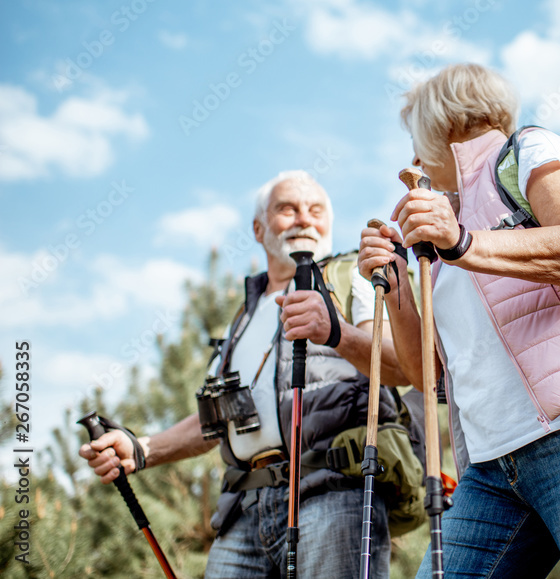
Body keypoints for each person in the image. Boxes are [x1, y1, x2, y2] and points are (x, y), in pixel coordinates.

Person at [358, 63, 560, 578]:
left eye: (415, 139)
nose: (412, 159)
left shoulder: (530, 149)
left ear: (443, 122)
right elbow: (427, 377)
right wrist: (395, 283)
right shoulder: (445, 232)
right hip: (490, 470)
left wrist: (464, 244)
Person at [80, 170, 407, 579]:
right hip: (243, 509)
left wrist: (336, 332)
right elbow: (220, 419)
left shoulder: (353, 280)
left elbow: (401, 366)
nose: (304, 219)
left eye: (316, 210)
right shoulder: (244, 317)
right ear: (258, 227)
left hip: (333, 495)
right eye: (287, 209)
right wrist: (143, 448)